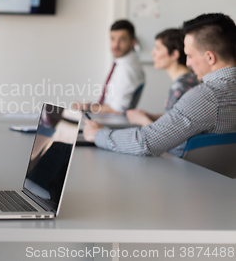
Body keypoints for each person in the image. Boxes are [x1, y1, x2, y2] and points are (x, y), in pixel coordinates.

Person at [83, 13, 236, 157]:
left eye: (189, 56)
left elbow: (146, 142)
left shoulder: (206, 96)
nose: (187, 62)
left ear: (210, 57)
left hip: (182, 176)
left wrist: (98, 134)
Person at [126, 29, 198, 126]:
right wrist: (153, 116)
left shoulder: (180, 87)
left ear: (174, 54)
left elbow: (169, 134)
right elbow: (178, 118)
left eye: (158, 48)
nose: (153, 53)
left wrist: (142, 120)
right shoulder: (190, 79)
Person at [72, 19, 145, 114]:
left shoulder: (126, 69)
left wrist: (87, 107)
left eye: (122, 40)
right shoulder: (125, 63)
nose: (115, 45)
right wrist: (90, 106)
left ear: (133, 42)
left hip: (109, 123)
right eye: (112, 39)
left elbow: (117, 110)